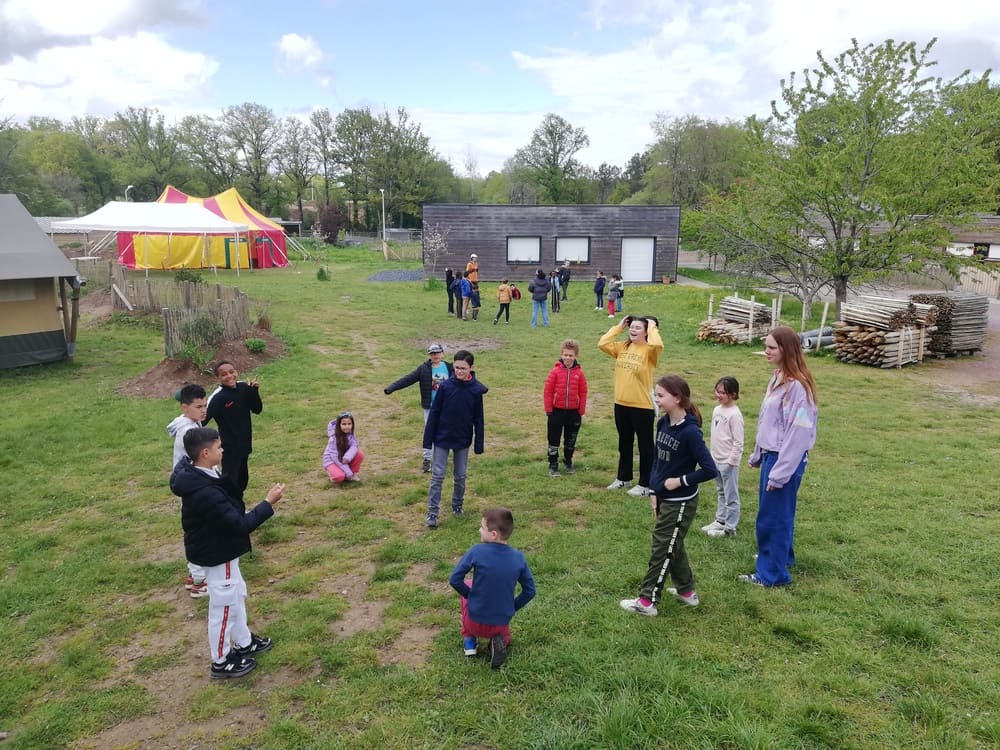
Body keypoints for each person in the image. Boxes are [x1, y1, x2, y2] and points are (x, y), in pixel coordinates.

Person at [170, 427, 284, 679]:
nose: (223, 450)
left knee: (235, 595)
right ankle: (220, 660)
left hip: (223, 549)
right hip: (216, 552)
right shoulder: (204, 492)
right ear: (205, 452)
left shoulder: (203, 473)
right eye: (219, 447)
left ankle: (244, 642)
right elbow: (239, 524)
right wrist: (268, 503)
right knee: (222, 606)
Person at [620, 376, 718, 616]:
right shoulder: (663, 423)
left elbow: (709, 469)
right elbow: (657, 461)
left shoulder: (691, 433)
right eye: (656, 394)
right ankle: (687, 592)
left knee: (662, 548)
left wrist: (680, 481)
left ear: (678, 398)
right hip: (663, 497)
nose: (657, 399)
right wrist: (655, 490)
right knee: (673, 543)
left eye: (661, 395)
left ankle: (647, 602)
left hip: (681, 502)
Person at [741, 326, 818, 587]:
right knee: (779, 513)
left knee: (772, 518)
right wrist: (758, 452)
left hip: (784, 460)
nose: (766, 352)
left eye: (772, 347)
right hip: (772, 456)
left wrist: (780, 472)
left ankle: (772, 574)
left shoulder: (797, 387)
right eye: (766, 346)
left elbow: (798, 434)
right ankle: (778, 557)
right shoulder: (778, 378)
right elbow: (770, 422)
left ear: (787, 350)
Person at [449, 508, 536, 669]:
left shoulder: (476, 551)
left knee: (468, 585)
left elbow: (455, 579)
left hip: (475, 620)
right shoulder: (518, 557)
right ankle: (498, 642)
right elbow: (530, 591)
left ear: (493, 534)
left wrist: (471, 596)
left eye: (482, 527)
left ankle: (469, 640)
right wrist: (512, 606)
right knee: (503, 632)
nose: (479, 530)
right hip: (500, 621)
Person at [598, 315, 663, 497]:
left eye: (638, 328)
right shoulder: (623, 347)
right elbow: (602, 343)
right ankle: (624, 478)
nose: (633, 330)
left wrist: (651, 326)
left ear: (646, 331)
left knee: (645, 447)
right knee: (624, 443)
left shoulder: (650, 351)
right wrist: (618, 327)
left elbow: (657, 344)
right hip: (621, 403)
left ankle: (645, 483)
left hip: (642, 406)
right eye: (631, 327)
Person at [423, 350, 488, 528]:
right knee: (437, 476)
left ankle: (457, 505)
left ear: (471, 368)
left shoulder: (475, 390)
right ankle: (432, 512)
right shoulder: (445, 387)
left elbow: (478, 419)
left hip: (462, 439)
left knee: (460, 476)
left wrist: (479, 443)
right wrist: (428, 441)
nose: (459, 371)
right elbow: (434, 413)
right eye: (457, 367)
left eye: (463, 368)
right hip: (442, 438)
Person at [384, 343, 454, 473]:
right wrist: (391, 388)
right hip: (431, 408)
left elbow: (462, 381)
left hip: (447, 407)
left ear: (443, 353)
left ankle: (441, 458)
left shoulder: (450, 368)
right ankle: (427, 459)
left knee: (445, 432)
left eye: (438, 353)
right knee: (430, 433)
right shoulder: (424, 369)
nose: (435, 355)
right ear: (429, 355)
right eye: (433, 353)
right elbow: (408, 379)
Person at [167, 383, 209, 598]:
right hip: (194, 488)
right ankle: (200, 582)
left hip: (192, 486)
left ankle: (195, 575)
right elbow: (202, 460)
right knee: (201, 533)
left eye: (205, 404)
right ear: (184, 407)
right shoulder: (189, 432)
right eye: (198, 406)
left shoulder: (191, 422)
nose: (203, 410)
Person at [205, 360, 262, 500]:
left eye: (232, 372)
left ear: (236, 372)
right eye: (224, 374)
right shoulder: (218, 398)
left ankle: (238, 510)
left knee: (242, 481)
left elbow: (257, 409)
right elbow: (202, 420)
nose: (229, 376)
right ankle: (226, 510)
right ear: (218, 378)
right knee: (229, 482)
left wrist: (254, 391)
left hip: (244, 445)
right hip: (229, 448)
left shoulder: (243, 388)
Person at [702, 376, 744, 538]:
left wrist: (731, 462)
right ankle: (720, 521)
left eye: (723, 393)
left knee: (731, 496)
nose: (718, 395)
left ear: (733, 394)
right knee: (721, 491)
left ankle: (730, 529)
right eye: (717, 391)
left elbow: (738, 442)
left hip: (728, 463)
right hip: (716, 460)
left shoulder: (735, 415)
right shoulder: (717, 410)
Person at [543, 339, 588, 477]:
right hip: (556, 412)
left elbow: (583, 392)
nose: (568, 358)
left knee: (570, 440)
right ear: (561, 355)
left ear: (576, 356)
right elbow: (548, 391)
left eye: (571, 355)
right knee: (553, 439)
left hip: (573, 413)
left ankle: (568, 460)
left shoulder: (579, 374)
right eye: (565, 355)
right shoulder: (555, 372)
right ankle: (553, 463)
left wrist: (581, 410)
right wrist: (549, 409)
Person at [323, 412, 364, 484]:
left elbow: (354, 446)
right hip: (332, 460)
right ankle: (332, 473)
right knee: (340, 477)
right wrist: (348, 472)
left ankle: (353, 474)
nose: (347, 426)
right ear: (339, 425)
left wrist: (347, 457)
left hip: (343, 458)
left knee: (359, 454)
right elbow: (335, 457)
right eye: (344, 424)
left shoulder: (351, 433)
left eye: (349, 424)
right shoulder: (333, 439)